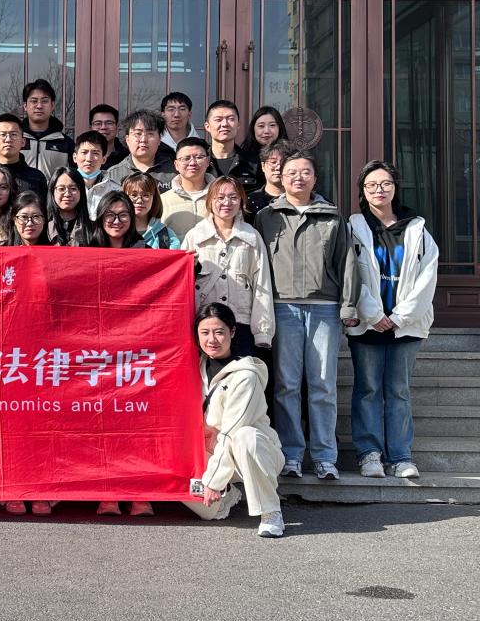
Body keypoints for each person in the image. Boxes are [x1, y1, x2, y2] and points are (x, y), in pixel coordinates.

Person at [254, 151, 359, 480]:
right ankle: (291, 455)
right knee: (286, 385)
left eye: (305, 172)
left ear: (315, 178)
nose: (298, 178)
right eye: (291, 172)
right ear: (281, 178)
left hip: (324, 308)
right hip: (282, 307)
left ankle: (325, 456)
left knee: (323, 384)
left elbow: (347, 263)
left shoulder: (332, 217)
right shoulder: (266, 217)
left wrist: (349, 306)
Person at [347, 161, 438, 479]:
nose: (379, 190)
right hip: (367, 323)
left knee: (399, 390)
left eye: (385, 184)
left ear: (396, 188)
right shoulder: (354, 227)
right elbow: (349, 275)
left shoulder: (417, 229)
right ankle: (369, 454)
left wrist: (400, 317)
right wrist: (373, 313)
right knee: (368, 389)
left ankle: (400, 456)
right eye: (371, 185)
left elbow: (427, 277)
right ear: (362, 191)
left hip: (407, 326)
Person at [190, 303, 286, 538]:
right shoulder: (194, 366)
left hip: (253, 453)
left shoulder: (246, 376)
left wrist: (213, 481)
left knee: (245, 436)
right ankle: (229, 493)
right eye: (205, 332)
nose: (212, 339)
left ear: (232, 332)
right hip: (209, 452)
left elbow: (231, 431)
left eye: (219, 332)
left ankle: (271, 512)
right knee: (207, 512)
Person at [182, 177, 274, 357]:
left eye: (233, 197)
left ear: (241, 201)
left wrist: (262, 331)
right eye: (220, 197)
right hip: (204, 325)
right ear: (210, 201)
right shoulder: (195, 237)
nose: (227, 202)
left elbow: (262, 286)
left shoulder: (252, 238)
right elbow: (182, 285)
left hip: (241, 323)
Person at [0, 114, 47, 196]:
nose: (8, 139)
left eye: (13, 135)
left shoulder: (36, 178)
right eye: (2, 135)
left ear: (23, 142)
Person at [107, 109, 175, 191]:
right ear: (127, 139)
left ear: (159, 140)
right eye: (138, 134)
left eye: (150, 134)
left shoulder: (175, 172)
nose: (143, 140)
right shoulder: (113, 175)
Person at [160, 137, 215, 240]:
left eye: (199, 157)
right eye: (186, 158)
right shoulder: (162, 201)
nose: (192, 163)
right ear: (176, 165)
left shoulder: (220, 197)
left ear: (208, 161)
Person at [20, 78, 73, 178]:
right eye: (34, 101)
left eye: (44, 101)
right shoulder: (15, 140)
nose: (39, 106)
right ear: (25, 106)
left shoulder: (66, 143)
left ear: (52, 105)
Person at [203, 100, 261, 191]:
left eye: (231, 119)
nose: (225, 124)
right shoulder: (200, 163)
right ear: (207, 126)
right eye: (218, 120)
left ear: (238, 125)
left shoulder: (254, 162)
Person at [120, 172, 180, 249]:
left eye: (146, 195)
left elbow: (176, 256)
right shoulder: (115, 232)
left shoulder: (166, 235)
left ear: (154, 199)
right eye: (134, 195)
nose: (139, 201)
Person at [73, 131, 120, 219]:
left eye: (95, 153)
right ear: (75, 157)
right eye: (84, 152)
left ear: (104, 159)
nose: (89, 159)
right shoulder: (63, 187)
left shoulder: (115, 190)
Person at [47, 167, 92, 246]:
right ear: (52, 191)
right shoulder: (42, 224)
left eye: (73, 188)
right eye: (61, 189)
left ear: (81, 191)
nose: (67, 194)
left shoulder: (92, 226)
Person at [246, 141, 290, 217]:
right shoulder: (249, 201)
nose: (278, 167)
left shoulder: (298, 198)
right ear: (263, 166)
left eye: (283, 162)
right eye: (273, 162)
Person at [89, 103, 127, 168]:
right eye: (98, 123)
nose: (103, 127)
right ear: (90, 128)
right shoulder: (81, 155)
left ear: (117, 127)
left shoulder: (128, 156)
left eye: (109, 123)